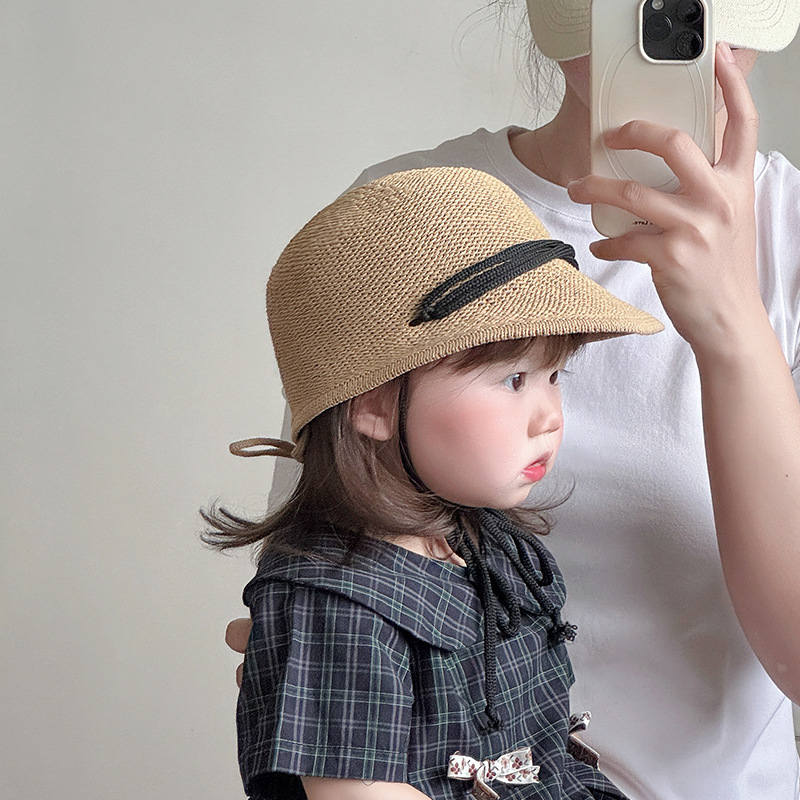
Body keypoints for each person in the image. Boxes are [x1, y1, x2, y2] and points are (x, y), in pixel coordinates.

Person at [227, 2, 800, 798]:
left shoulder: (787, 233)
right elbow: (328, 547)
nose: (686, 39)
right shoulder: (412, 216)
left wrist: (733, 324)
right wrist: (333, 658)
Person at [205, 166, 664, 799]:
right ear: (374, 405)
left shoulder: (485, 543)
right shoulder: (336, 603)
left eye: (554, 376)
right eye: (513, 380)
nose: (550, 417)